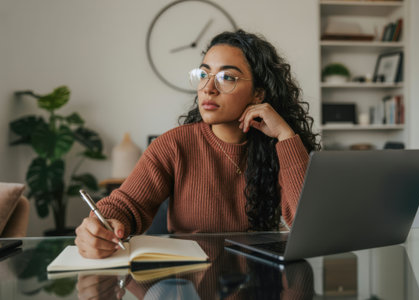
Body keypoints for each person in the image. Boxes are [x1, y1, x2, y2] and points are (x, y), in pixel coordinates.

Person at [75, 29, 321, 258]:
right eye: (204, 74)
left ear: (258, 93)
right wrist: (102, 225)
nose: (208, 88)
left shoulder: (277, 148)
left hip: (261, 283)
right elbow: (127, 204)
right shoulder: (174, 145)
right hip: (191, 282)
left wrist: (286, 137)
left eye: (226, 77)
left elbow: (310, 227)